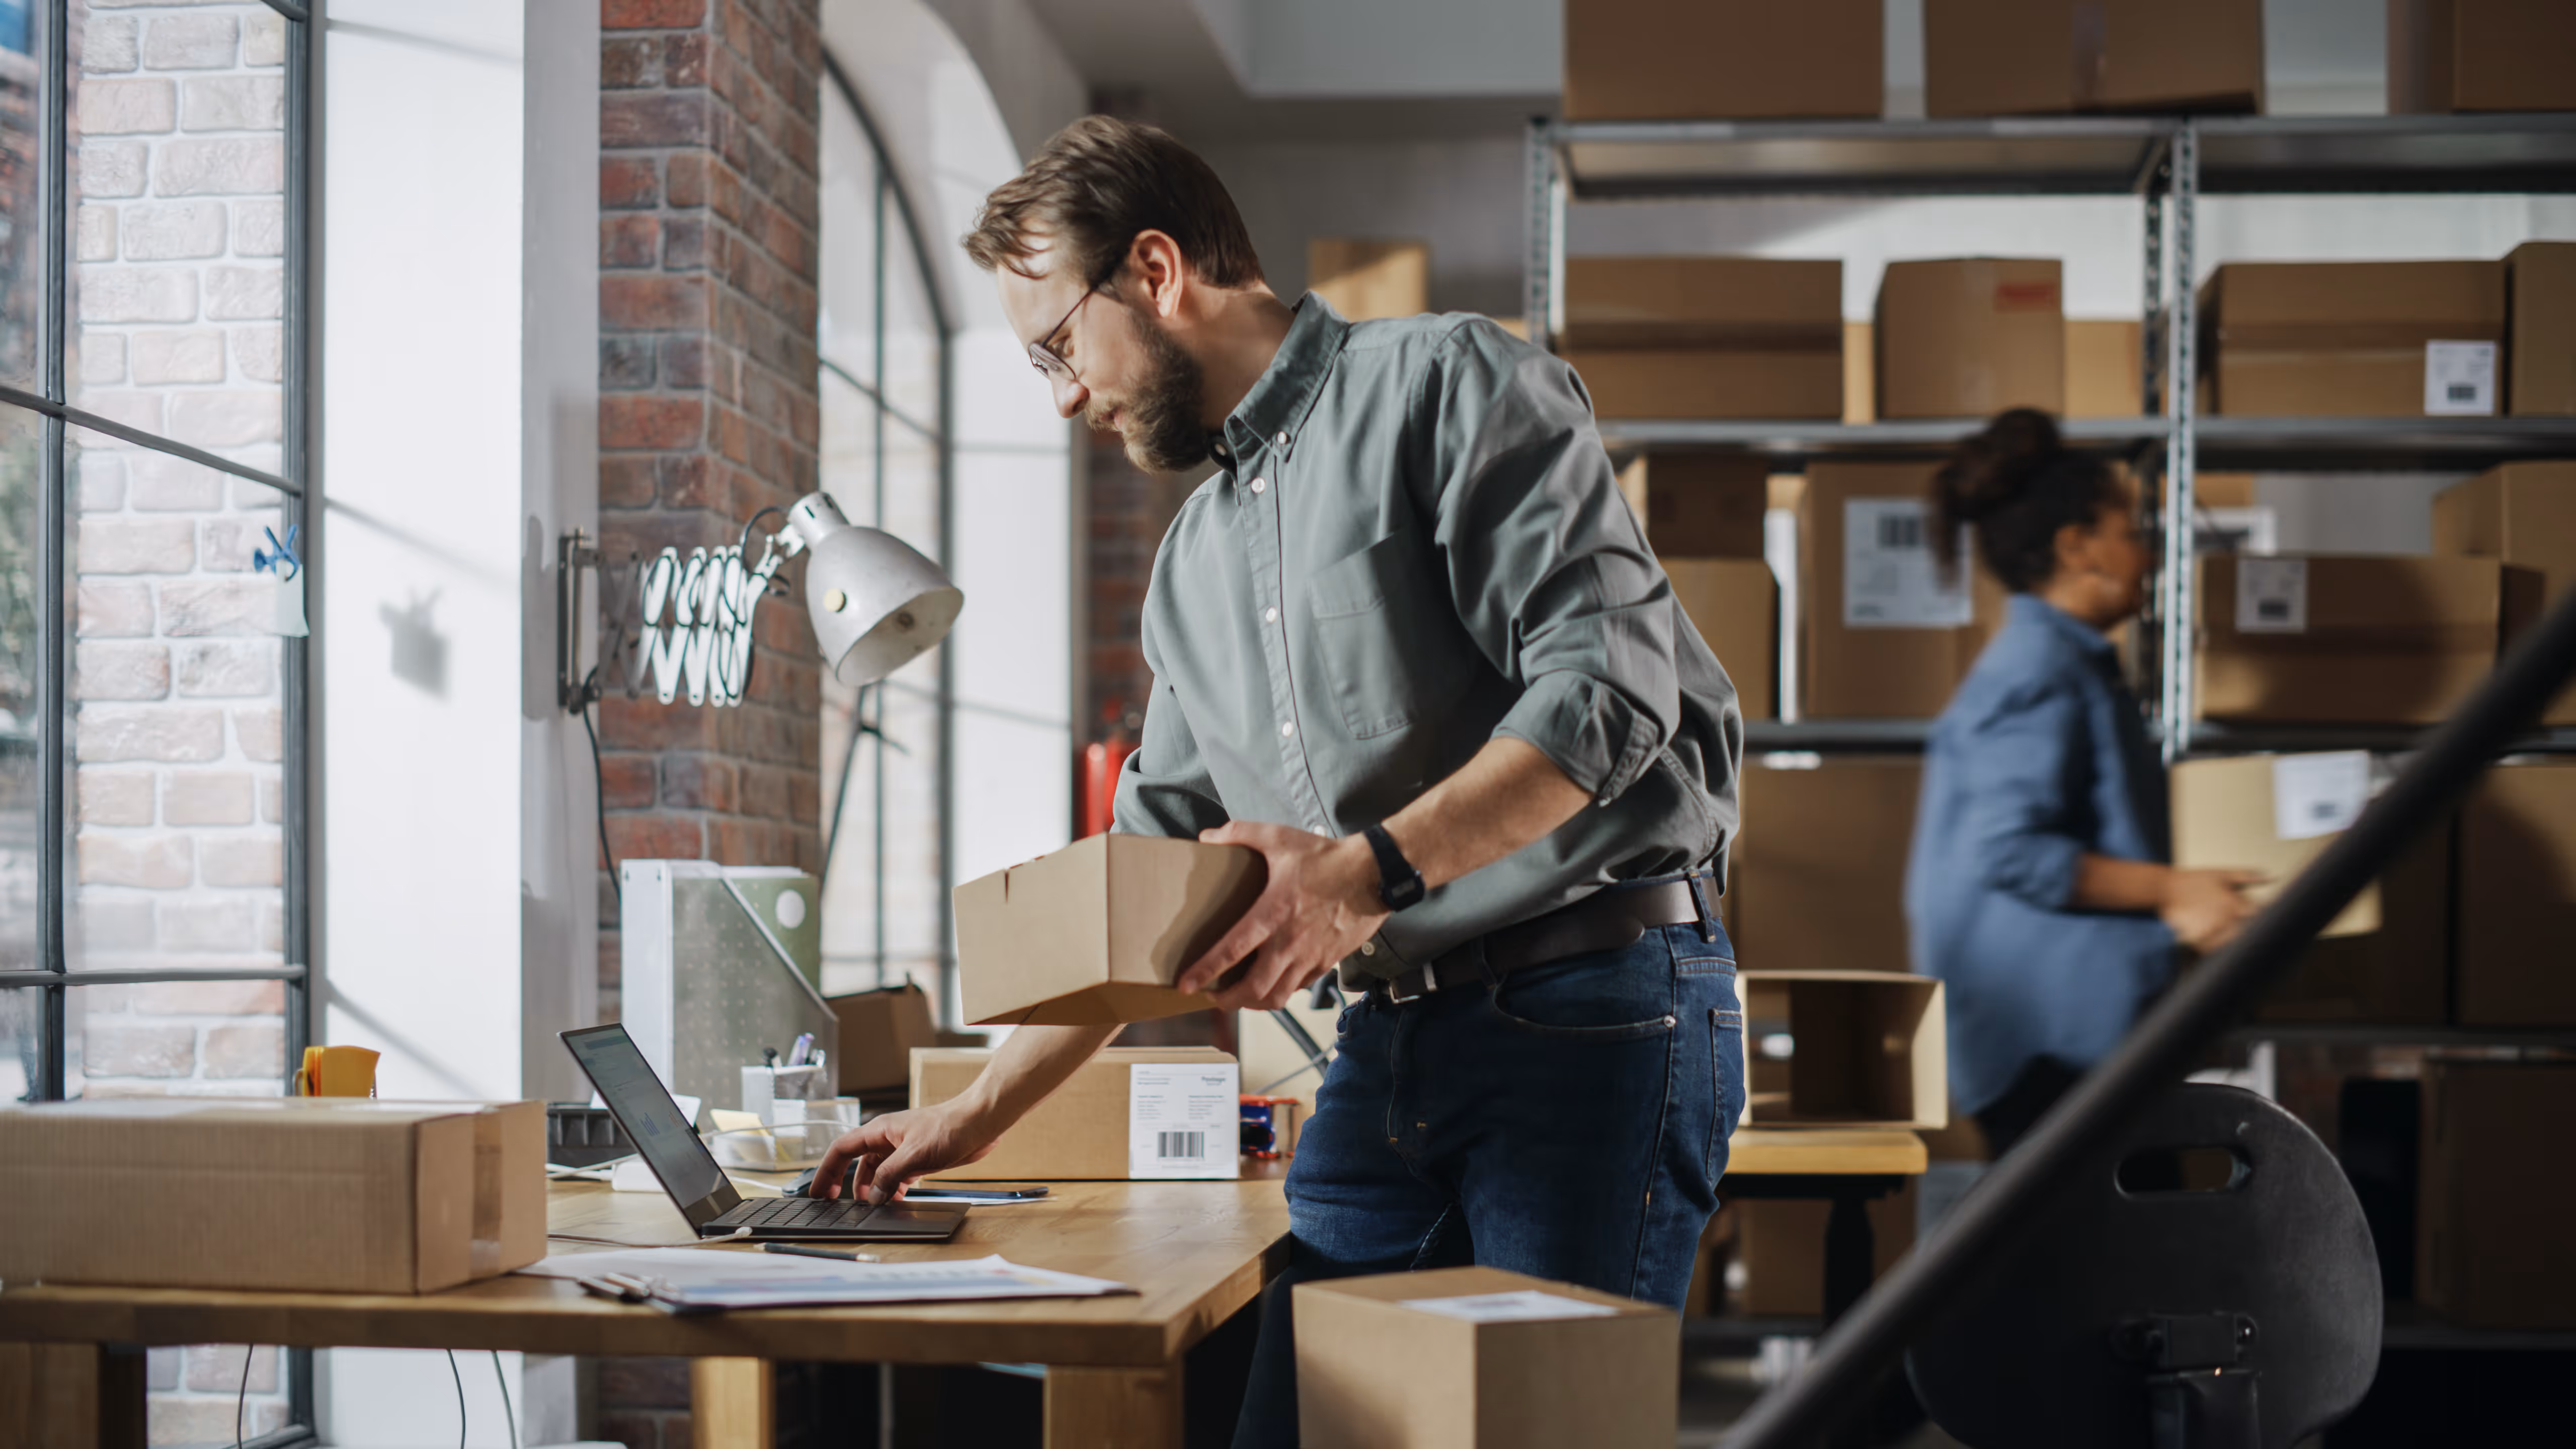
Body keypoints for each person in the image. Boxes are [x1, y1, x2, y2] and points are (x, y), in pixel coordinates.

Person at [814, 116, 1746, 1447]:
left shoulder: (1451, 383)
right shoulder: (1193, 565)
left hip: (1595, 1007)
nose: (1066, 398)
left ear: (1153, 270)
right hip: (1395, 1044)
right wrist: (970, 1115)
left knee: (1542, 1431)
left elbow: (1610, 694)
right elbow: (1140, 890)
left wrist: (1364, 878)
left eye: (1058, 346)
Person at [1904, 409, 2260, 1158]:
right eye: (2128, 530)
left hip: (2070, 1049)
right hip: (2050, 1058)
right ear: (2078, 550)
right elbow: (2013, 852)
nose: (2146, 550)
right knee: (2101, 1271)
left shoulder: (2066, 663)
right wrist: (2172, 890)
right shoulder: (2036, 671)